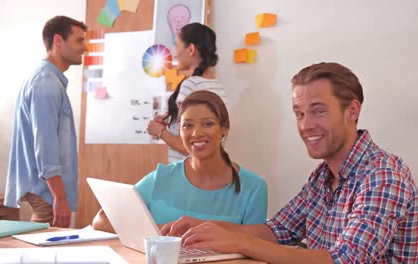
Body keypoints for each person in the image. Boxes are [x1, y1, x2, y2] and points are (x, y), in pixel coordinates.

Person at [166, 62, 418, 263]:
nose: (306, 125)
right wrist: (204, 226)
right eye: (299, 113)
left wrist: (237, 242)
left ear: (352, 111)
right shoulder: (322, 177)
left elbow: (346, 259)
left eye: (318, 111)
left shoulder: (384, 175)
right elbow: (277, 230)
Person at [93, 90, 268, 231]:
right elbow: (101, 220)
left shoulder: (254, 188)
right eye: (187, 125)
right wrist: (167, 233)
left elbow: (257, 245)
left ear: (224, 128)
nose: (196, 133)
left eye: (207, 124)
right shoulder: (161, 178)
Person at [4, 16, 88, 227]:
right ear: (58, 41)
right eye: (79, 40)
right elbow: (45, 145)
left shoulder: (49, 80)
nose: (84, 47)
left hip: (49, 193)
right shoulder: (46, 84)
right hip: (48, 195)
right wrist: (59, 197)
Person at [147, 22, 226, 163]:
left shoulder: (191, 85)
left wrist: (159, 131)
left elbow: (187, 145)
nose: (175, 54)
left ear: (191, 49)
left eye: (177, 45)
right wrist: (170, 120)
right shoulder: (216, 86)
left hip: (188, 173)